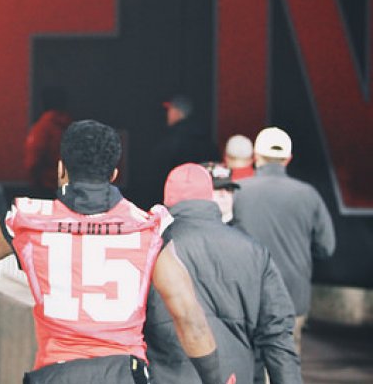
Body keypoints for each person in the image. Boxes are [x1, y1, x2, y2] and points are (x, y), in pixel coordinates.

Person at [0, 119, 235, 384]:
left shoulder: (29, 221)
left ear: (60, 170)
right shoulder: (147, 228)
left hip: (55, 375)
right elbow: (190, 320)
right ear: (113, 175)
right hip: (124, 376)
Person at [144, 163, 301, 384]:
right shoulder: (253, 251)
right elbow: (277, 335)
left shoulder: (151, 249)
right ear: (209, 198)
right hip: (236, 376)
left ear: (167, 201)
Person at [232, 126, 336, 355]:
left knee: (249, 364)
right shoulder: (308, 194)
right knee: (286, 364)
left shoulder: (238, 192)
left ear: (255, 157)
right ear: (287, 159)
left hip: (247, 296)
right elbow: (326, 247)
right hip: (293, 296)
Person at [145, 94, 219, 205]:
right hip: (203, 199)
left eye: (170, 110)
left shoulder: (171, 141)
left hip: (176, 201)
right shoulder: (206, 140)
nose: (167, 114)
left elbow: (157, 177)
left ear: (177, 112)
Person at [23, 86, 73, 197]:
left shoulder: (42, 128)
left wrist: (34, 184)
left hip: (46, 188)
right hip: (70, 188)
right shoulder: (71, 127)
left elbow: (33, 162)